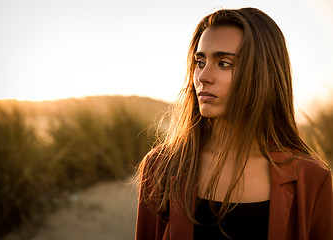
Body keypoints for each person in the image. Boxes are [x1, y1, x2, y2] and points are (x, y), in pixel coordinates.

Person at [135, 7, 333, 240]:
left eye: (224, 63)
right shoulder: (160, 167)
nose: (203, 76)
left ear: (263, 74)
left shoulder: (311, 179)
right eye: (200, 62)